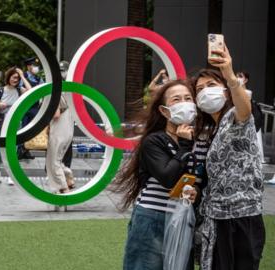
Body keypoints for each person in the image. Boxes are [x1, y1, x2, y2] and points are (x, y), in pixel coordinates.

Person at [113, 80, 198, 270]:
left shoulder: (197, 140)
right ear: (164, 111)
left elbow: (197, 178)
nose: (184, 103)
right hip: (152, 217)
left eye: (188, 98)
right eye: (176, 99)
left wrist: (195, 191)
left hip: (182, 217)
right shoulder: (154, 141)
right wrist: (184, 146)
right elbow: (167, 178)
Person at [194, 45, 265, 270]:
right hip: (215, 219)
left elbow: (244, 110)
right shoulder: (210, 131)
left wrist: (230, 75)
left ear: (225, 91)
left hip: (241, 219)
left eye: (211, 85)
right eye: (199, 89)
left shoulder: (235, 117)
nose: (205, 91)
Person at [0, 67, 32, 185]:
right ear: (8, 77)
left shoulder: (20, 90)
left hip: (15, 124)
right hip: (1, 123)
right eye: (14, 77)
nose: (16, 80)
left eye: (17, 78)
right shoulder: (0, 91)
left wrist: (23, 76)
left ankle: (10, 175)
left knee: (13, 149)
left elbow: (31, 91)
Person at [46, 95, 74, 194]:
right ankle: (67, 174)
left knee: (53, 162)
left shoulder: (53, 95)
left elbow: (56, 114)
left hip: (58, 132)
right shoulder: (67, 96)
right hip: (68, 132)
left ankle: (63, 188)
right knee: (57, 160)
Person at [17, 57, 44, 160]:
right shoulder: (22, 77)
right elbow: (24, 91)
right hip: (24, 107)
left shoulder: (39, 79)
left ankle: (26, 150)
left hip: (35, 108)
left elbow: (42, 92)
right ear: (28, 66)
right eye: (34, 65)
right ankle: (19, 150)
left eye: (36, 66)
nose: (36, 68)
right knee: (22, 128)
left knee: (30, 130)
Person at [236, 71, 265, 162]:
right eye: (236, 76)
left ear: (246, 80)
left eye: (240, 76)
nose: (237, 78)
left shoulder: (248, 93)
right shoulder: (233, 92)